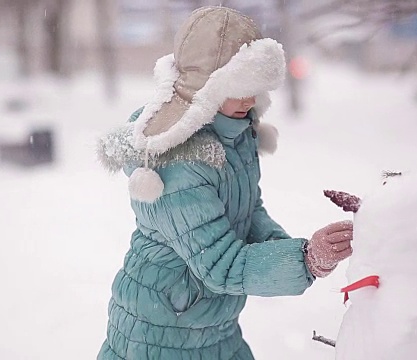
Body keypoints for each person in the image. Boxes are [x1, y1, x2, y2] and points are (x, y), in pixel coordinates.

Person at [96, 6, 353, 359]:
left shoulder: (237, 131)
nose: (249, 99)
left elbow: (249, 212)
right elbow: (219, 264)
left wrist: (303, 252)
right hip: (160, 331)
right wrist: (304, 261)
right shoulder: (178, 162)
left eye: (255, 86)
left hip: (215, 324)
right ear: (205, 87)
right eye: (239, 87)